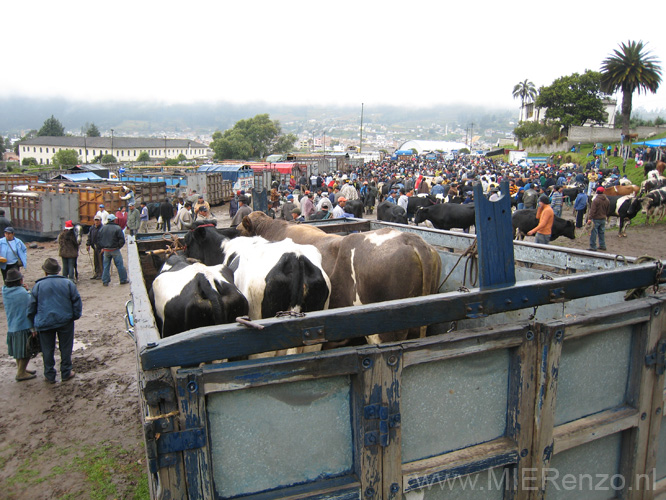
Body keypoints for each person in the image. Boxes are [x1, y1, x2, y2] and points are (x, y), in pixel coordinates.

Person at [28, 258, 82, 384]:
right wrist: (74, 316)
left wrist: (32, 325)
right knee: (66, 347)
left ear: (45, 272)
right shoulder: (68, 283)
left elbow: (31, 307)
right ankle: (66, 372)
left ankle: (49, 374)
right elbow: (76, 301)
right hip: (65, 320)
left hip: (44, 322)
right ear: (58, 271)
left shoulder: (38, 286)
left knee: (47, 349)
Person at [2, 268, 36, 381]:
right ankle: (21, 373)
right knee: (26, 351)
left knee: (18, 350)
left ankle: (21, 369)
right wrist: (28, 290)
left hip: (12, 326)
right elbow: (31, 303)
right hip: (23, 325)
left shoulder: (5, 291)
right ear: (19, 281)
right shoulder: (22, 293)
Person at [97, 214, 128, 286]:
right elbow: (122, 240)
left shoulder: (102, 228)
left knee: (106, 266)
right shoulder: (117, 228)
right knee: (120, 265)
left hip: (106, 250)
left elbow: (98, 240)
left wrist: (102, 247)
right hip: (115, 250)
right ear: (114, 220)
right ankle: (123, 279)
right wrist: (118, 247)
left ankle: (105, 281)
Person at [587, 186, 610, 251]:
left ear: (597, 192)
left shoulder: (596, 200)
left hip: (596, 219)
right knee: (601, 232)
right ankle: (602, 245)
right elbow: (608, 210)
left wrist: (590, 218)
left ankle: (593, 246)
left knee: (594, 232)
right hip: (603, 218)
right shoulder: (607, 200)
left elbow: (593, 210)